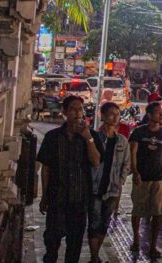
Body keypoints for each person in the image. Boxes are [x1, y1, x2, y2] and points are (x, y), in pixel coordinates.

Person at [37, 96, 102, 263]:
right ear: (65, 112)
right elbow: (46, 167)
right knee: (51, 242)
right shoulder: (53, 137)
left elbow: (95, 161)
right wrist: (44, 195)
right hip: (57, 198)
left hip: (79, 200)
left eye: (80, 109)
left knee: (74, 246)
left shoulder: (90, 136)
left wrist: (88, 138)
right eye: (73, 109)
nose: (77, 113)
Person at [87, 102, 131, 263]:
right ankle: (93, 257)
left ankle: (95, 255)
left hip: (112, 189)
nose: (115, 117)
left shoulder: (122, 141)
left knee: (104, 223)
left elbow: (126, 165)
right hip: (95, 188)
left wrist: (120, 182)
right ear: (103, 116)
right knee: (94, 223)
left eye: (117, 114)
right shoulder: (95, 138)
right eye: (111, 114)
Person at [129, 102, 162, 259]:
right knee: (138, 210)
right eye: (157, 113)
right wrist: (135, 172)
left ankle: (153, 245)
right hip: (142, 177)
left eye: (161, 113)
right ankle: (135, 239)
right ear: (149, 115)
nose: (161, 115)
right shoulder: (139, 133)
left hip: (158, 178)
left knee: (158, 213)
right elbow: (132, 152)